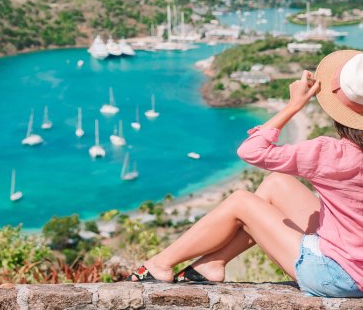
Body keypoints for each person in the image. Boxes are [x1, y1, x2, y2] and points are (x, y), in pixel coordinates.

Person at [127, 50, 363, 298]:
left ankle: (160, 264)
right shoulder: (336, 154)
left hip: (338, 276)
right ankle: (213, 263)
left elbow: (251, 150)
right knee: (276, 183)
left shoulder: (331, 153)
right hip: (354, 263)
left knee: (241, 201)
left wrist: (293, 106)